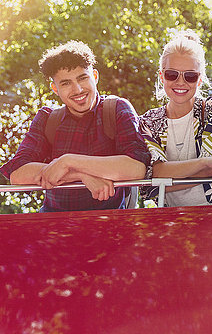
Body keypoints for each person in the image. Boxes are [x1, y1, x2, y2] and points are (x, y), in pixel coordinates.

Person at [0, 40, 151, 212]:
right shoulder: (48, 118)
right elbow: (18, 174)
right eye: (66, 83)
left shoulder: (116, 108)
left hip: (108, 224)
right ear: (55, 89)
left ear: (94, 76)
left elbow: (137, 168)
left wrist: (68, 161)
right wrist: (81, 175)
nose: (78, 89)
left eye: (82, 78)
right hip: (53, 227)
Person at [139, 33, 212, 206]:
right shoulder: (149, 121)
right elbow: (149, 182)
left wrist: (166, 177)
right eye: (172, 74)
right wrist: (204, 162)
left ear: (200, 79)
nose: (180, 82)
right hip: (170, 223)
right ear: (161, 76)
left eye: (190, 76)